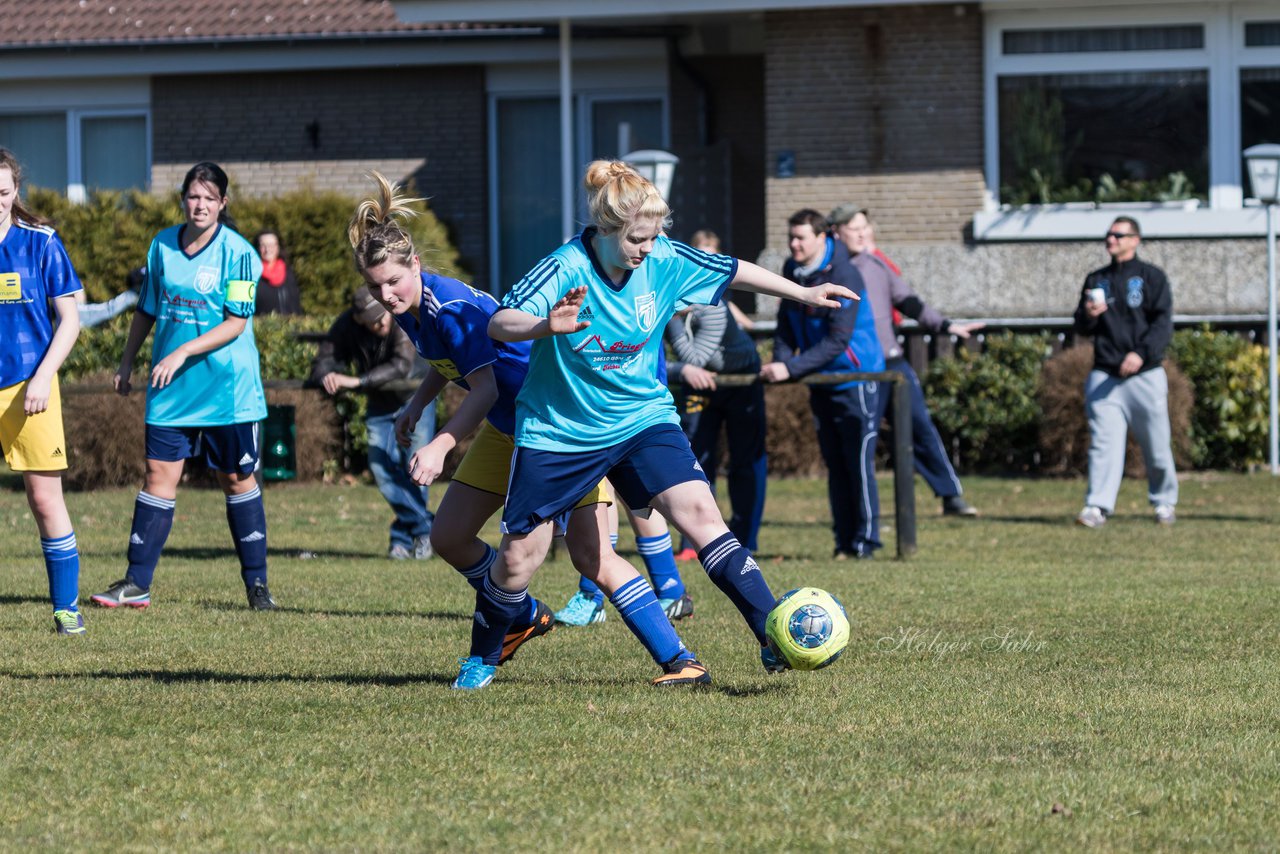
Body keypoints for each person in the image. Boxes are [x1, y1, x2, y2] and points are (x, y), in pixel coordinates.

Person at [470, 159, 856, 691]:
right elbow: (497, 322)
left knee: (702, 515)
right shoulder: (564, 265)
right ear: (606, 230)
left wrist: (805, 293)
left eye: (653, 238)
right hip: (562, 431)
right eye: (636, 239)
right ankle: (482, 658)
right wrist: (545, 325)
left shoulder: (665, 259)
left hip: (642, 419)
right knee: (518, 561)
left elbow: (733, 267)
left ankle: (772, 634)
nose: (647, 249)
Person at [348, 172, 703, 686]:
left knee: (590, 556)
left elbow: (486, 386)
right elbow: (448, 362)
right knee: (448, 536)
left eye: (393, 282)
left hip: (561, 428)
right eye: (375, 286)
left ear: (416, 266)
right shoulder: (410, 304)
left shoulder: (449, 308)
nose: (385, 293)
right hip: (510, 427)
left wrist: (442, 443)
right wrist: (417, 404)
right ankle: (520, 614)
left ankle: (679, 661)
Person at [92, 161, 276, 611]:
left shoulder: (240, 253)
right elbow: (146, 310)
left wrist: (182, 351)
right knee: (158, 476)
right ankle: (136, 583)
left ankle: (257, 587)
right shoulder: (161, 245)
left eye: (210, 198)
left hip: (227, 390)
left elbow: (235, 324)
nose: (201, 205)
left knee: (236, 479)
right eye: (194, 196)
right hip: (170, 389)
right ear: (183, 199)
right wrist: (127, 361)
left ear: (223, 204)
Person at [828, 203, 982, 518]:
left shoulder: (875, 265)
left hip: (892, 364)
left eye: (864, 227)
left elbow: (910, 302)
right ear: (836, 232)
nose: (862, 234)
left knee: (920, 427)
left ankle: (950, 496)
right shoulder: (828, 271)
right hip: (858, 371)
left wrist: (947, 325)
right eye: (853, 228)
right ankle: (865, 516)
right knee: (862, 443)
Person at [762, 209, 883, 559]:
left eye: (801, 237)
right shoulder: (793, 270)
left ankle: (866, 542)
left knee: (858, 465)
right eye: (791, 237)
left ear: (822, 237)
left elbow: (837, 341)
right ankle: (843, 542)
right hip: (821, 381)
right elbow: (786, 320)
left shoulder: (846, 274)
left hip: (855, 379)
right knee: (835, 465)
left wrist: (792, 369)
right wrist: (783, 361)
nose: (793, 244)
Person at [0, 147, 86, 635]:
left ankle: (66, 608)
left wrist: (42, 376)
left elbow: (69, 319)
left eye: (4, 192)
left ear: (16, 191)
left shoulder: (42, 242)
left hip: (29, 387)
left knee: (44, 498)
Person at [310, 285, 435, 559]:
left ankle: (403, 540)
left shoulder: (398, 317)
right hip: (379, 402)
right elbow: (324, 361)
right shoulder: (346, 325)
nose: (383, 323)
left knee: (417, 471)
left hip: (415, 398)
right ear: (359, 320)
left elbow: (401, 366)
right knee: (380, 468)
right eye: (374, 321)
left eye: (383, 317)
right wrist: (328, 376)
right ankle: (427, 530)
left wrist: (357, 381)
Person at [1072, 216, 1177, 528]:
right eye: (1108, 235)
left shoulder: (1152, 278)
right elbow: (1081, 325)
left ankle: (1164, 502)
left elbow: (1162, 324)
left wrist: (1141, 354)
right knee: (1104, 444)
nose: (1111, 240)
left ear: (1135, 240)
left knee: (1156, 444)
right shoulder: (1096, 279)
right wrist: (1089, 316)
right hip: (1105, 375)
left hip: (1145, 374)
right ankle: (1097, 506)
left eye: (1118, 235)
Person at [665, 290, 767, 556]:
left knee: (745, 464)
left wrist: (672, 320)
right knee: (695, 462)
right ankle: (693, 544)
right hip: (699, 382)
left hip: (741, 382)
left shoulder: (714, 306)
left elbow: (693, 359)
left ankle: (745, 542)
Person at [75, 265, 141, 328]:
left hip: (76, 312)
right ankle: (133, 294)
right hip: (75, 312)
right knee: (109, 309)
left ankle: (133, 294)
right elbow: (109, 309)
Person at [254, 230, 302, 316]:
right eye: (263, 245)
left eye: (272, 245)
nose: (268, 249)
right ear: (257, 248)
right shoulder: (253, 274)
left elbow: (296, 304)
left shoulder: (289, 273)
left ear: (278, 247)